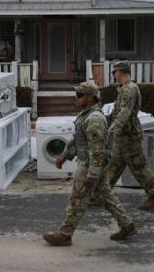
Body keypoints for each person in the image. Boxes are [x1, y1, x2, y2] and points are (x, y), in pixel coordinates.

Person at [43, 82, 136, 246]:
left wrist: (92, 174)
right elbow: (78, 140)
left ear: (90, 97)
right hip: (93, 164)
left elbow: (97, 150)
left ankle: (65, 234)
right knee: (106, 197)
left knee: (77, 200)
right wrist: (64, 156)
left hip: (90, 165)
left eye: (79, 96)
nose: (76, 99)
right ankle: (127, 225)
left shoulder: (94, 119)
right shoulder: (85, 115)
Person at [105, 61, 154, 209]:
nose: (114, 75)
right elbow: (118, 111)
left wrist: (113, 129)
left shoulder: (129, 89)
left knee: (139, 167)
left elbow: (125, 113)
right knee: (114, 165)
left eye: (114, 72)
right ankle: (101, 194)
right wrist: (106, 120)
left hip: (129, 136)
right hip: (123, 135)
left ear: (120, 72)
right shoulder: (124, 88)